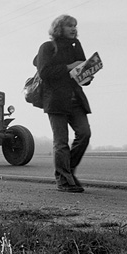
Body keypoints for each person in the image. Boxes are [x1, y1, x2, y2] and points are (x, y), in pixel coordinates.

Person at [35, 14, 93, 193]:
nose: (74, 29)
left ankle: (67, 172)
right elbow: (44, 72)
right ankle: (64, 180)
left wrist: (87, 76)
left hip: (76, 100)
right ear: (59, 28)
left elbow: (82, 74)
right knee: (61, 142)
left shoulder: (76, 46)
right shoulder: (47, 47)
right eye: (69, 26)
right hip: (55, 100)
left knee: (84, 134)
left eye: (75, 25)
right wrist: (69, 67)